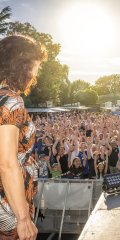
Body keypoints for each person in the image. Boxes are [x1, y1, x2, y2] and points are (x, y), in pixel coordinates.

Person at [0, 35, 47, 239]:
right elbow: (7, 163)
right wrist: (22, 218)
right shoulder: (11, 101)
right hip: (7, 204)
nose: (37, 71)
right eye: (37, 65)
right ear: (23, 65)